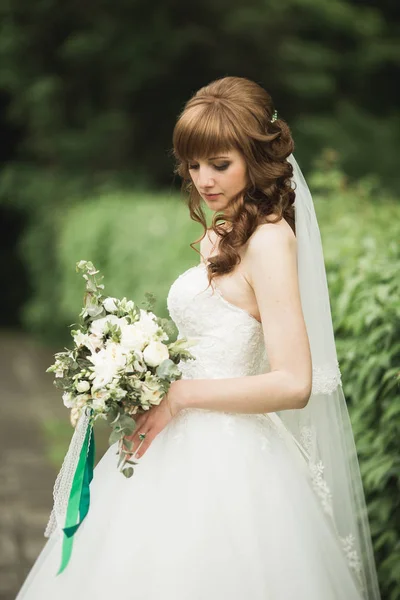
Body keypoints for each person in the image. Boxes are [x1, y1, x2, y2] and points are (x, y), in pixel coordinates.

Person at [15, 76, 381, 599]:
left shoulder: (271, 241)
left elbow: (294, 383)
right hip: (169, 439)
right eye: (193, 164)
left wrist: (181, 393)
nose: (203, 180)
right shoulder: (223, 231)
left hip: (232, 460)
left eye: (219, 164)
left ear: (256, 158)